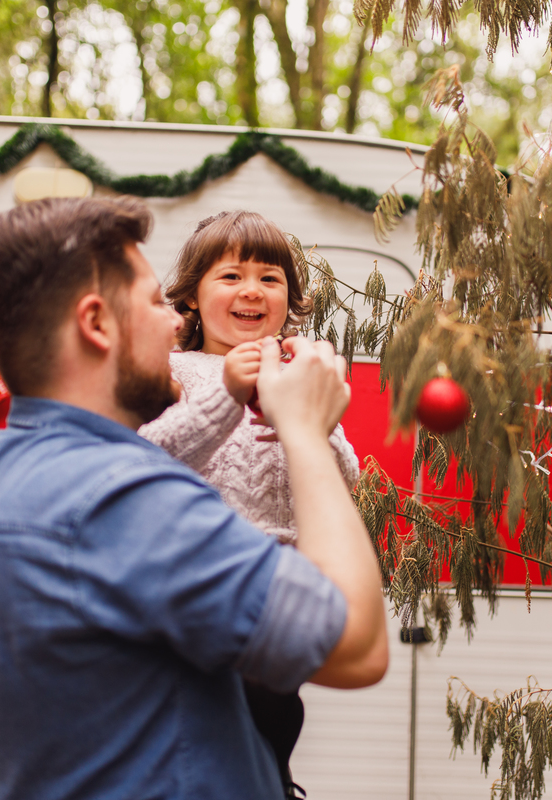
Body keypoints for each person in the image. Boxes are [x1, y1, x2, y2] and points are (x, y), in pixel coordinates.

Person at [0, 196, 388, 800]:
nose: (171, 321)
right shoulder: (113, 495)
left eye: (270, 278)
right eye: (157, 302)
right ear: (97, 323)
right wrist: (303, 432)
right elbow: (356, 644)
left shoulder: (20, 465)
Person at [139, 211, 359, 797]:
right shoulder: (174, 371)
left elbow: (341, 481)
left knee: (273, 715)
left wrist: (311, 424)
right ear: (190, 296)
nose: (251, 291)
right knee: (204, 723)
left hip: (276, 591)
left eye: (270, 277)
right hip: (197, 585)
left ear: (292, 298)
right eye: (230, 276)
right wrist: (229, 394)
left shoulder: (301, 373)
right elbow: (139, 461)